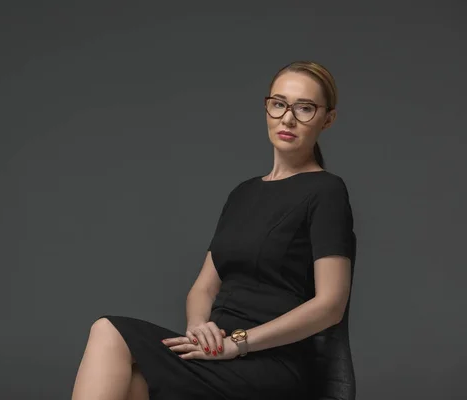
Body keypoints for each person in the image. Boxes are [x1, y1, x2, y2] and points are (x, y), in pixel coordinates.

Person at [71, 60, 357, 400]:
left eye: (304, 108)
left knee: (107, 331)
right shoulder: (243, 194)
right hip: (216, 351)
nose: (288, 118)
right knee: (131, 386)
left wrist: (239, 343)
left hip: (271, 360)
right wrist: (197, 326)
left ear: (328, 119)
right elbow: (203, 288)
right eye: (279, 103)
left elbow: (330, 304)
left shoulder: (326, 191)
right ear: (267, 107)